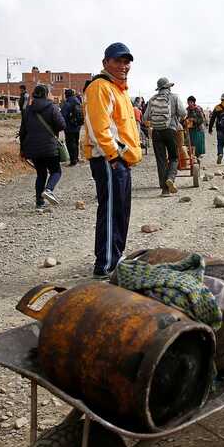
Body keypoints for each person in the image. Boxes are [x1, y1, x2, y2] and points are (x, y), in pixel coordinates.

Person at [83, 42, 143, 278]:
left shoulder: (119, 90)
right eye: (118, 61)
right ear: (105, 62)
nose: (123, 65)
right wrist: (114, 155)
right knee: (110, 211)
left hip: (119, 160)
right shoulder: (100, 87)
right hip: (109, 160)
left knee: (120, 211)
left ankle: (115, 257)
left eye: (126, 61)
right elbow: (100, 127)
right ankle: (106, 264)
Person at [18, 85, 67, 208]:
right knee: (56, 171)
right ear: (46, 94)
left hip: (32, 147)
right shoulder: (52, 107)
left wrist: (22, 150)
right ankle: (49, 190)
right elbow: (62, 125)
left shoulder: (27, 110)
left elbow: (22, 132)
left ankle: (39, 202)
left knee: (41, 174)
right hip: (49, 147)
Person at [144, 77, 186, 195]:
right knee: (174, 157)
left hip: (156, 132)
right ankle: (170, 178)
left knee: (161, 160)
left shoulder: (152, 99)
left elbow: (145, 118)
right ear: (168, 87)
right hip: (171, 130)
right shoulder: (174, 97)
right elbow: (183, 113)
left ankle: (165, 190)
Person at [60, 89, 83, 166]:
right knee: (76, 142)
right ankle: (76, 158)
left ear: (66, 95)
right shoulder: (78, 101)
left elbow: (62, 114)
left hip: (69, 127)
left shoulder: (68, 103)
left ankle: (73, 161)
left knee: (70, 143)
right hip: (78, 126)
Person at [185, 96, 206, 161]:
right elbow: (184, 117)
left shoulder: (198, 109)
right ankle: (192, 156)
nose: (189, 103)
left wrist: (193, 120)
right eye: (188, 102)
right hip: (190, 129)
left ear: (194, 102)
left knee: (198, 143)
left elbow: (202, 119)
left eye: (191, 102)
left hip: (198, 129)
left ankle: (198, 156)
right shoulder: (187, 109)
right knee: (191, 143)